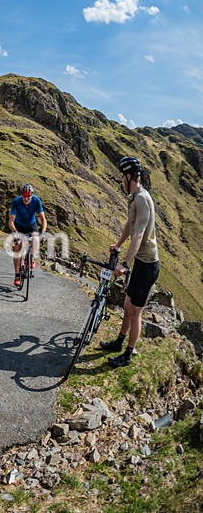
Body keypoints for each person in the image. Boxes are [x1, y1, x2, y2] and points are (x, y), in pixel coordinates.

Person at [100, 156, 160, 367]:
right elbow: (130, 224)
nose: (121, 181)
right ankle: (119, 342)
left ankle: (127, 354)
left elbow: (139, 235)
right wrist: (117, 244)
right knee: (127, 305)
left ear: (128, 176)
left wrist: (125, 263)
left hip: (148, 265)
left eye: (122, 177)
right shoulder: (134, 197)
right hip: (141, 263)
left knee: (135, 312)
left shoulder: (142, 198)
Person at [8, 183, 47, 287]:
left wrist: (42, 232)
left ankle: (31, 258)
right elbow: (11, 221)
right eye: (24, 197)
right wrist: (15, 233)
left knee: (36, 240)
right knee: (17, 248)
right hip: (19, 226)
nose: (26, 199)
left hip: (31, 225)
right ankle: (17, 275)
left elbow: (43, 219)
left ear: (32, 195)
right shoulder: (16, 201)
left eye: (28, 197)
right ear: (21, 195)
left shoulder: (36, 200)